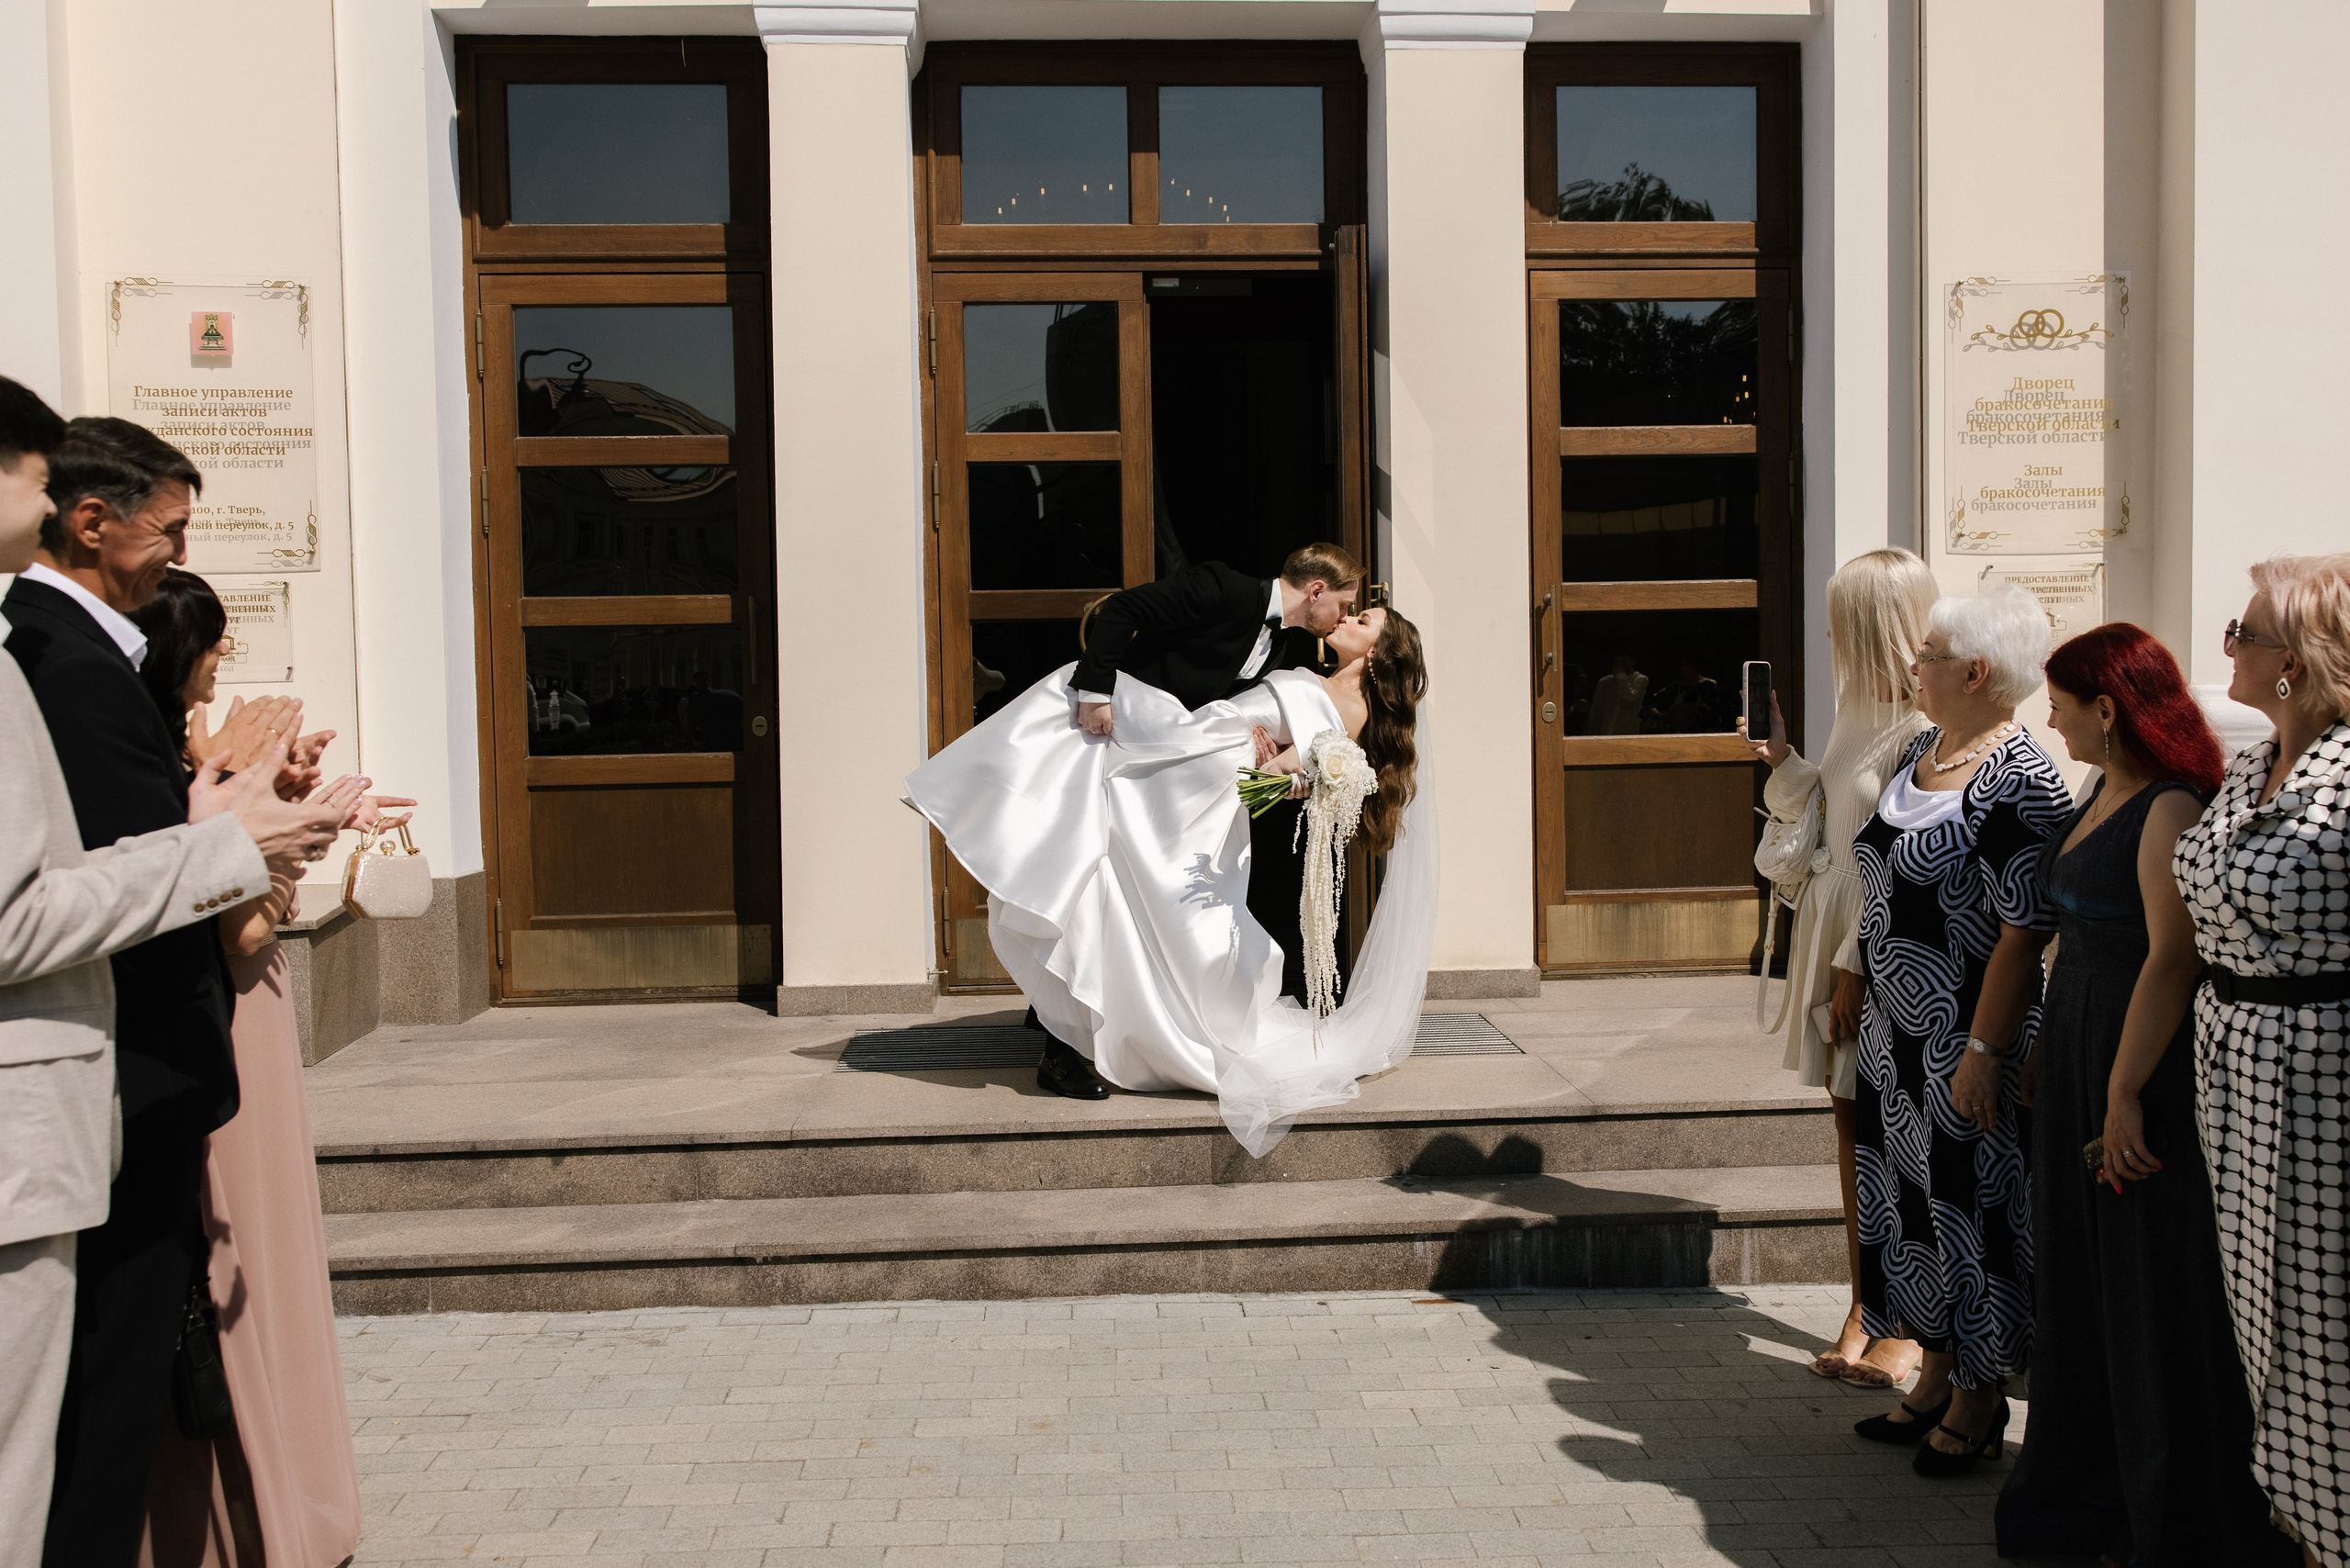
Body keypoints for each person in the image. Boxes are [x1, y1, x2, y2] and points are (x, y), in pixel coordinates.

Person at [6, 416, 365, 1568]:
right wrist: (240, 825)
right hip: (118, 1074)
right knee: (91, 1412)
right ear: (86, 519)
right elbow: (85, 885)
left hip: (128, 1073)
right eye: (170, 530)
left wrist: (247, 806)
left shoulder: (68, 651)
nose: (179, 551)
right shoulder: (58, 661)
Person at [905, 599, 1435, 1156]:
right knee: (1083, 720)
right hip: (1196, 740)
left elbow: (1297, 777)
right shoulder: (1315, 673)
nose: (1349, 619)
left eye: (1364, 620)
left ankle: (963, 796)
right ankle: (965, 795)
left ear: (1378, 652)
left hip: (1204, 769)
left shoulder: (1351, 708)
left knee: (1091, 747)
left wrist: (1267, 768)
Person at [1997, 622, 2298, 1565]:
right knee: (2082, 1283)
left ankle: (2169, 1507)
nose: (2048, 717)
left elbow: (2172, 958)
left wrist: (2122, 1091)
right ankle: (2088, 1489)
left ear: (2106, 707)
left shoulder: (2166, 805)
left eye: (2058, 701)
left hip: (2139, 1063)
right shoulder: (2100, 788)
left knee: (2142, 1287)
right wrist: (2045, 1045)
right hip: (2083, 1046)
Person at [132, 571, 389, 1566]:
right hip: (236, 1023)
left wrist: (273, 798)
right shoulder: (182, 770)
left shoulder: (169, 758)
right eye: (213, 647)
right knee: (250, 1257)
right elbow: (246, 929)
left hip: (240, 1023)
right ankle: (272, 1506)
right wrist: (296, 824)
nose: (221, 671)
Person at [1845, 584, 2069, 1476]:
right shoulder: (1920, 747)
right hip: (1893, 1035)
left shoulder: (2022, 779)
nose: (1914, 666)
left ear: (1974, 671)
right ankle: (1934, 1365)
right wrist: (1851, 976)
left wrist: (1981, 1051)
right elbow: (1881, 880)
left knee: (1970, 1208)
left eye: (1929, 654)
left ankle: (1979, 1397)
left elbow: (2024, 934)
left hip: (1963, 1041)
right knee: (1907, 1205)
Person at [1014, 543, 1364, 1099]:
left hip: (1169, 781)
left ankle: (1064, 1018)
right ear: (1316, 589)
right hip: (1119, 742)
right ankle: (1062, 1047)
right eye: (1344, 605)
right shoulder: (1222, 587)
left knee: (1123, 894)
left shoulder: (1285, 641)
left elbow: (1216, 700)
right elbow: (1122, 611)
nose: (1343, 618)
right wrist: (1096, 690)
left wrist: (1253, 741)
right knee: (1091, 877)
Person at [2173, 554, 2350, 1568]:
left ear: (2299, 662)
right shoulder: (2252, 764)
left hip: (2324, 1078)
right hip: (2235, 1067)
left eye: (2244, 634)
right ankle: (2295, 1522)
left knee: (2323, 1330)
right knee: (2263, 1324)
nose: (2227, 649)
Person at [1740, 546, 1935, 1388]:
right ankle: (1868, 1302)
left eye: (1839, 616)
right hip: (1841, 932)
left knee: (1892, 1133)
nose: (1827, 630)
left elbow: (1907, 861)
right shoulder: (1860, 708)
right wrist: (1781, 759)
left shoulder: (1925, 725)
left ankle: (1908, 1321)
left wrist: (1857, 965)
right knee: (1855, 1128)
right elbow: (1833, 816)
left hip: (1877, 949)